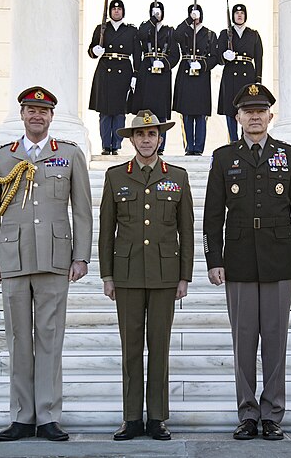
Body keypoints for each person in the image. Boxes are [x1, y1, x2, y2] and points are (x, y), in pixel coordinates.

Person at [202, 83, 291, 441]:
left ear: (270, 115)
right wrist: (213, 259)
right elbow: (211, 215)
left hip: (280, 257)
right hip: (237, 260)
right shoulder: (223, 157)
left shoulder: (290, 154)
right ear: (237, 117)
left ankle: (272, 414)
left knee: (276, 342)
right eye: (247, 111)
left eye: (260, 110)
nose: (254, 116)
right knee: (244, 340)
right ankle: (248, 413)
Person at [0, 86, 93, 442]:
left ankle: (47, 415)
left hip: (55, 260)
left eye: (42, 111)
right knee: (18, 340)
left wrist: (81, 256)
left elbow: (83, 212)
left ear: (51, 117)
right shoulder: (1, 157)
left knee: (50, 338)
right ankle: (21, 416)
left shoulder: (70, 155)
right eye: (30, 110)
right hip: (12, 259)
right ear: (22, 115)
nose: (36, 116)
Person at [99, 109, 195, 441]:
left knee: (159, 347)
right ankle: (131, 418)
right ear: (131, 139)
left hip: (165, 274)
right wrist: (106, 275)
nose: (146, 139)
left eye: (151, 134)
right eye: (140, 135)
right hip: (126, 273)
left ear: (160, 138)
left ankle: (156, 417)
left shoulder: (178, 176)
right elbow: (106, 230)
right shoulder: (115, 176)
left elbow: (187, 230)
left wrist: (185, 276)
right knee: (130, 349)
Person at [88, 0, 140, 155]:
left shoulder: (131, 31)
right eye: (113, 8)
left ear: (123, 12)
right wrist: (94, 51)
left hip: (123, 71)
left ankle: (116, 145)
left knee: (119, 112)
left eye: (119, 9)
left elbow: (137, 54)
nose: (116, 11)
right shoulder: (102, 29)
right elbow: (91, 50)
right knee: (104, 111)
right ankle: (106, 145)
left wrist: (135, 75)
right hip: (105, 71)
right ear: (109, 11)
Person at [130, 1, 180, 155]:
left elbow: (175, 55)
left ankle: (160, 144)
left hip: (162, 75)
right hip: (147, 72)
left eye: (158, 12)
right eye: (154, 12)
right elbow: (140, 35)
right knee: (146, 108)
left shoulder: (169, 31)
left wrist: (164, 63)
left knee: (160, 110)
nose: (157, 14)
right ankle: (144, 143)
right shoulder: (146, 27)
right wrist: (152, 20)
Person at [172, 4, 219, 156]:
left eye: (197, 13)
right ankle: (189, 146)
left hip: (201, 75)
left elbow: (214, 57)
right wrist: (188, 20)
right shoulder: (185, 32)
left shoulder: (210, 34)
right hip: (186, 73)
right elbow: (176, 35)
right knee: (186, 113)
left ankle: (198, 147)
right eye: (192, 13)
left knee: (200, 113)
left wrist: (203, 65)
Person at [217, 4, 263, 142]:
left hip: (247, 74)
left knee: (246, 107)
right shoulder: (225, 33)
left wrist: (258, 78)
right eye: (237, 13)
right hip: (231, 73)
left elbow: (259, 57)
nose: (239, 15)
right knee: (230, 109)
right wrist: (224, 56)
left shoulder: (253, 34)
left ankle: (246, 138)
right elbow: (217, 55)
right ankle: (233, 139)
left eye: (242, 13)